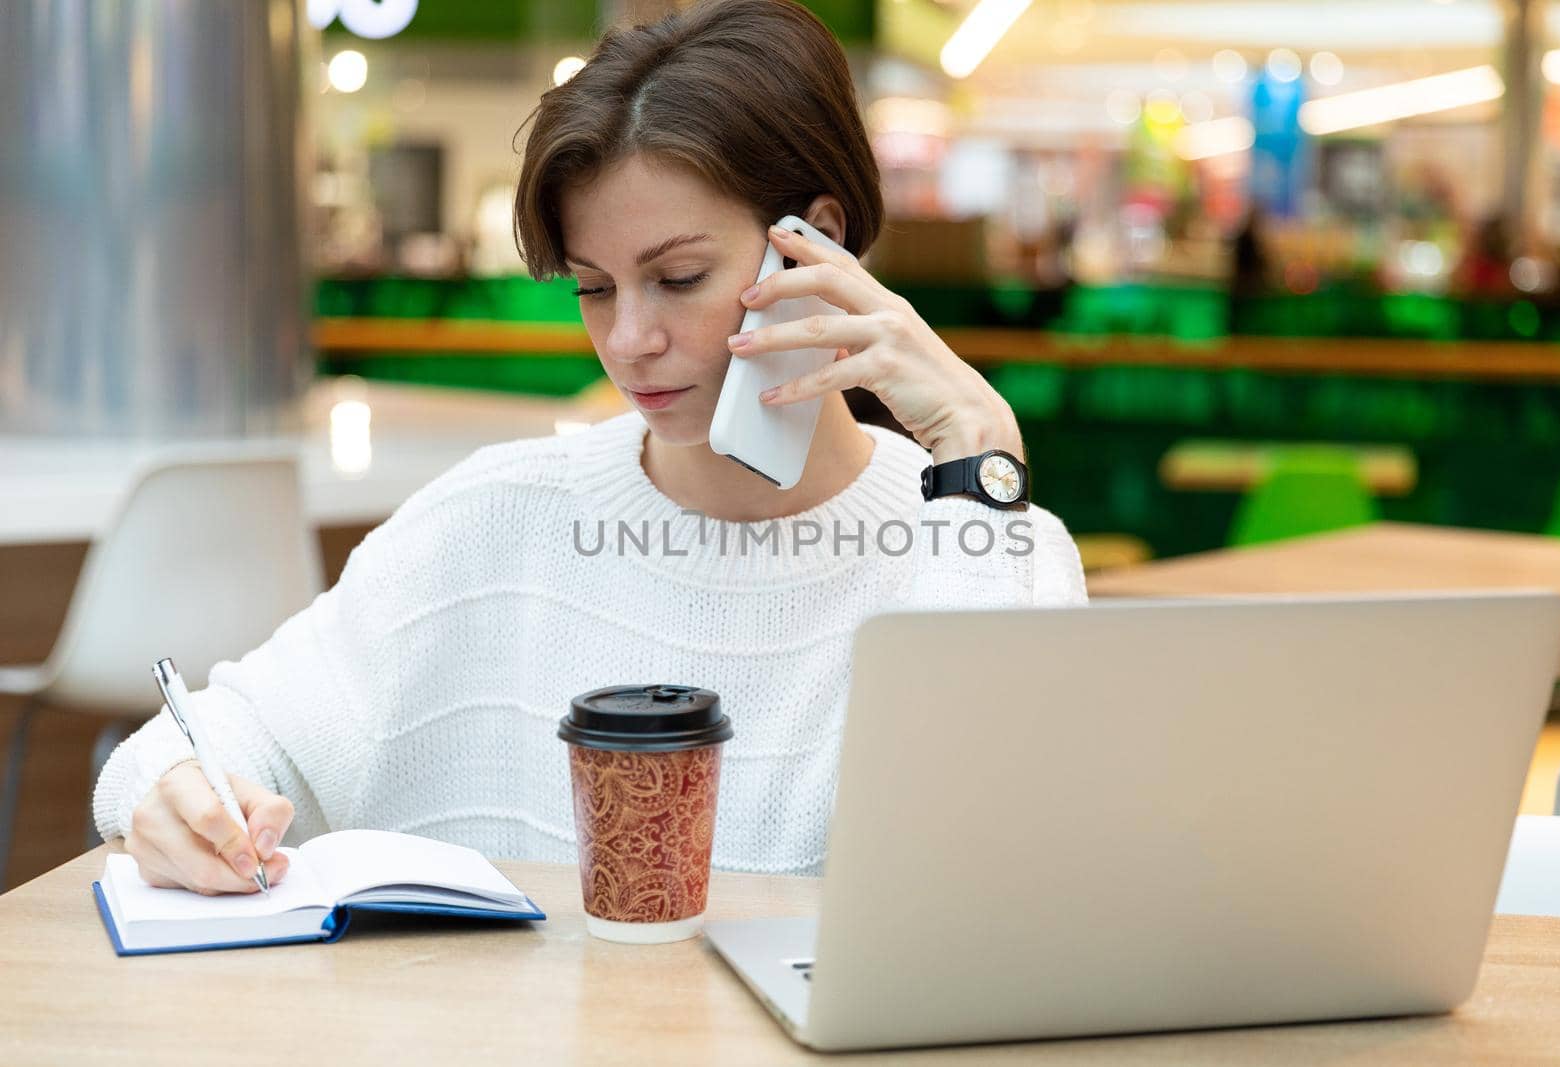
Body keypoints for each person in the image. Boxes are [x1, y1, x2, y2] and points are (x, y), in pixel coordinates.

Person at [93, 0, 1088, 894]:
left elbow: (982, 880)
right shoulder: (495, 514)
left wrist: (976, 454)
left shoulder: (987, 538)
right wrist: (181, 790)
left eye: (679, 276)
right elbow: (201, 744)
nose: (627, 342)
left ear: (813, 243)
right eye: (595, 286)